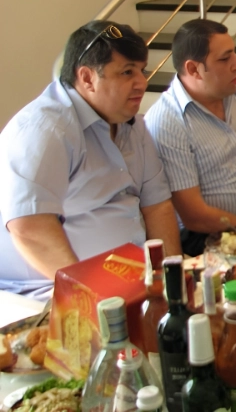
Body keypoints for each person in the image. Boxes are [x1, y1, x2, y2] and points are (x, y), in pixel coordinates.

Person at [0, 21, 181, 300]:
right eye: (127, 72)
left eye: (142, 71)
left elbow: (157, 207)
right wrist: (92, 297)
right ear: (86, 78)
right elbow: (30, 229)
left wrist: (173, 283)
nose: (142, 83)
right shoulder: (46, 129)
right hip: (55, 292)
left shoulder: (133, 126)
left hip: (134, 281)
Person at [144, 19, 236, 256]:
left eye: (234, 53)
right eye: (225, 59)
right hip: (210, 239)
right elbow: (194, 216)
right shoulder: (167, 121)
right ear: (193, 69)